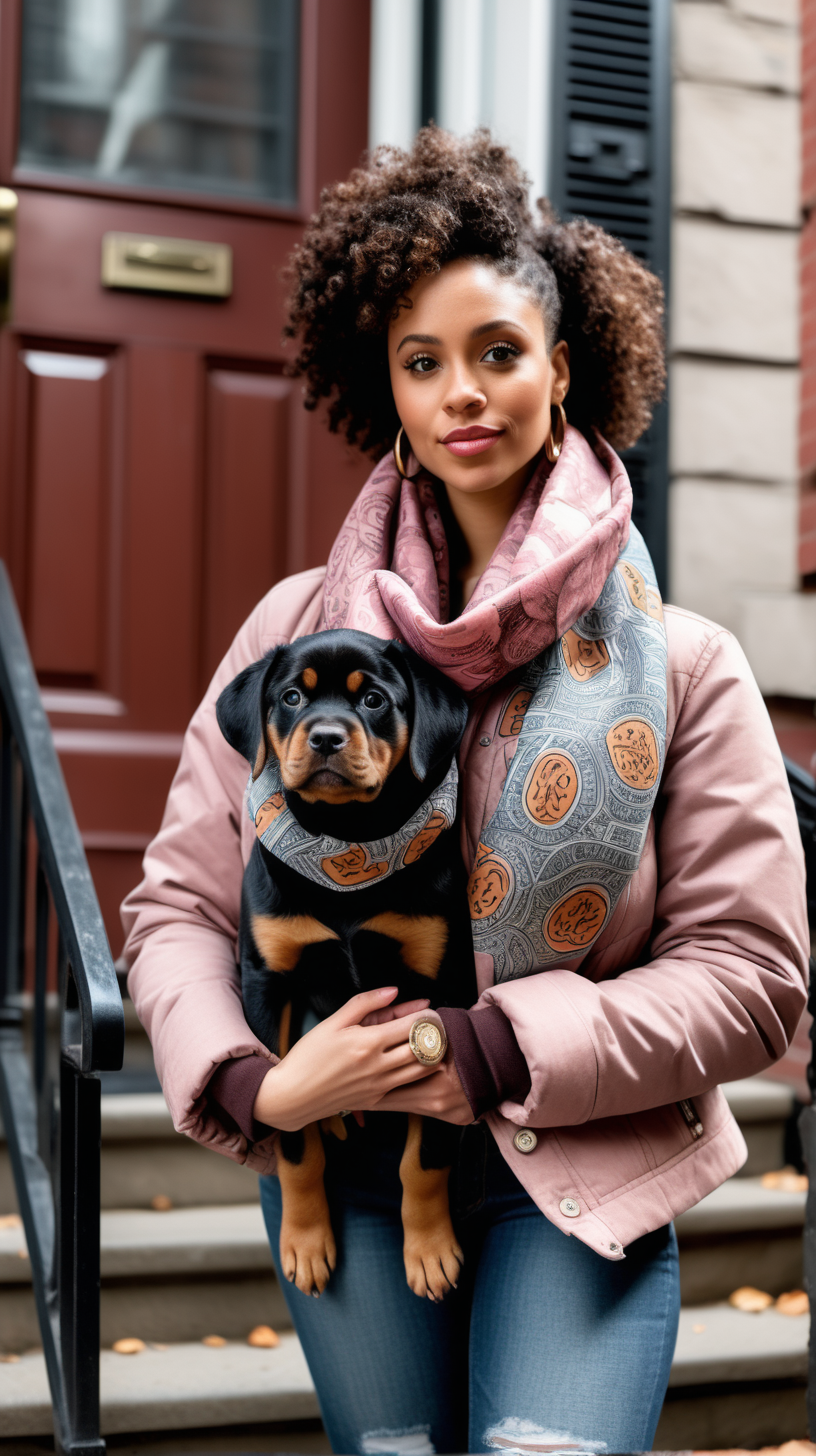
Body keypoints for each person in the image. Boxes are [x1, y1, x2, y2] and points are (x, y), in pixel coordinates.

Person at [121, 129, 809, 1456]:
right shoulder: (294, 637)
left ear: (563, 368)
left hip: (584, 1167)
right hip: (344, 1168)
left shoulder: (688, 664)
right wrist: (258, 1085)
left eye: (497, 352)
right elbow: (176, 912)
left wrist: (490, 1048)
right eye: (421, 362)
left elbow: (754, 973)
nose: (461, 395)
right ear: (385, 387)